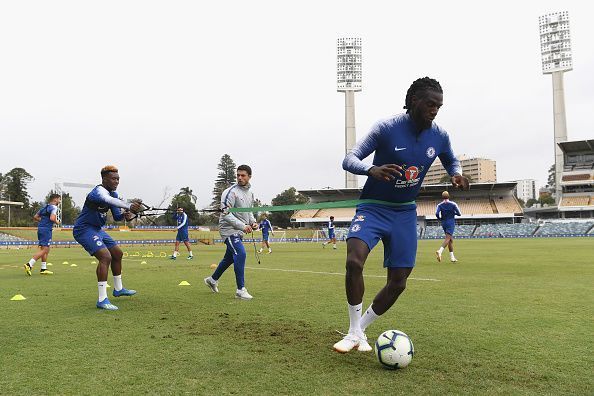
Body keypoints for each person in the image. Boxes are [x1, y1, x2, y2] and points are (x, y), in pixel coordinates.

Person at [333, 77, 469, 353]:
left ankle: (361, 330)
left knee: (398, 283)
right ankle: (352, 331)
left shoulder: (440, 136)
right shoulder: (387, 128)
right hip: (372, 207)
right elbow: (349, 159)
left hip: (405, 213)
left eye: (439, 106)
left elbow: (450, 158)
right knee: (354, 261)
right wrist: (371, 170)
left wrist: (456, 174)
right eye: (430, 104)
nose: (435, 110)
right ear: (413, 101)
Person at [73, 165, 142, 311]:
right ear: (104, 179)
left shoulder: (114, 195)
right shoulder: (98, 192)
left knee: (117, 253)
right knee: (105, 257)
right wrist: (129, 205)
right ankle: (102, 299)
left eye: (118, 179)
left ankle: (118, 289)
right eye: (113, 179)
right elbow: (107, 200)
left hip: (98, 230)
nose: (117, 182)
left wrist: (126, 215)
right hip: (84, 229)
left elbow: (117, 216)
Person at [204, 164, 259, 300]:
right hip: (228, 229)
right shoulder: (230, 192)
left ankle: (212, 280)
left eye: (243, 175)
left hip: (239, 229)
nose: (240, 178)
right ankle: (241, 290)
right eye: (238, 175)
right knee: (240, 253)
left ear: (249, 177)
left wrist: (252, 222)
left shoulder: (250, 193)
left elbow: (248, 212)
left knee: (229, 258)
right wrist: (242, 226)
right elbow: (226, 214)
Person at [24, 194, 61, 276]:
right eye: (59, 199)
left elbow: (36, 217)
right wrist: (57, 222)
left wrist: (44, 221)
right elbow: (52, 218)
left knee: (46, 249)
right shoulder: (54, 207)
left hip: (40, 229)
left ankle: (43, 269)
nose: (60, 201)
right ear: (55, 199)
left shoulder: (44, 207)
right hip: (46, 230)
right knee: (44, 250)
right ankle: (29, 264)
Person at [435, 190, 461, 262]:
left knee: (450, 240)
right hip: (450, 222)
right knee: (447, 238)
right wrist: (454, 213)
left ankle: (452, 258)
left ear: (442, 197)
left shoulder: (439, 205)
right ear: (449, 196)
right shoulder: (453, 204)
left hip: (444, 222)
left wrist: (440, 218)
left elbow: (436, 213)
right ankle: (440, 251)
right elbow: (459, 213)